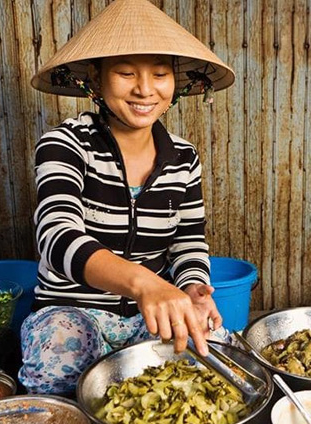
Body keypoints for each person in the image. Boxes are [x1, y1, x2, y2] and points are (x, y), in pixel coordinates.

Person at [21, 0, 236, 394]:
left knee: (216, 357)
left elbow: (189, 240)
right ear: (96, 79)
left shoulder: (183, 157)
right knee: (62, 361)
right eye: (125, 73)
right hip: (72, 311)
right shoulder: (64, 144)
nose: (145, 89)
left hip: (148, 315)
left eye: (159, 73)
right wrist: (144, 283)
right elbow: (56, 237)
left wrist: (191, 289)